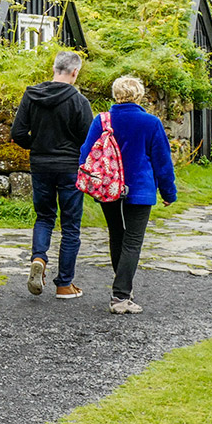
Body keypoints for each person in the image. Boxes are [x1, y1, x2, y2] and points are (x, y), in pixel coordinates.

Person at [79, 75, 176, 315]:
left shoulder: (102, 120)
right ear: (139, 95)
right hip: (140, 188)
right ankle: (121, 295)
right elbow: (163, 161)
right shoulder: (151, 122)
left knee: (116, 234)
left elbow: (86, 153)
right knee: (132, 241)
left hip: (108, 187)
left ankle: (123, 289)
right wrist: (168, 192)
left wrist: (90, 181)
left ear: (116, 95)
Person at [11, 49, 94, 299]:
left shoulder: (31, 95)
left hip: (41, 166)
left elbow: (17, 133)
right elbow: (89, 140)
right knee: (70, 225)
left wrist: (36, 147)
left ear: (54, 68)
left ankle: (39, 259)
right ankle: (64, 284)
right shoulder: (79, 101)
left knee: (44, 217)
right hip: (69, 168)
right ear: (75, 72)